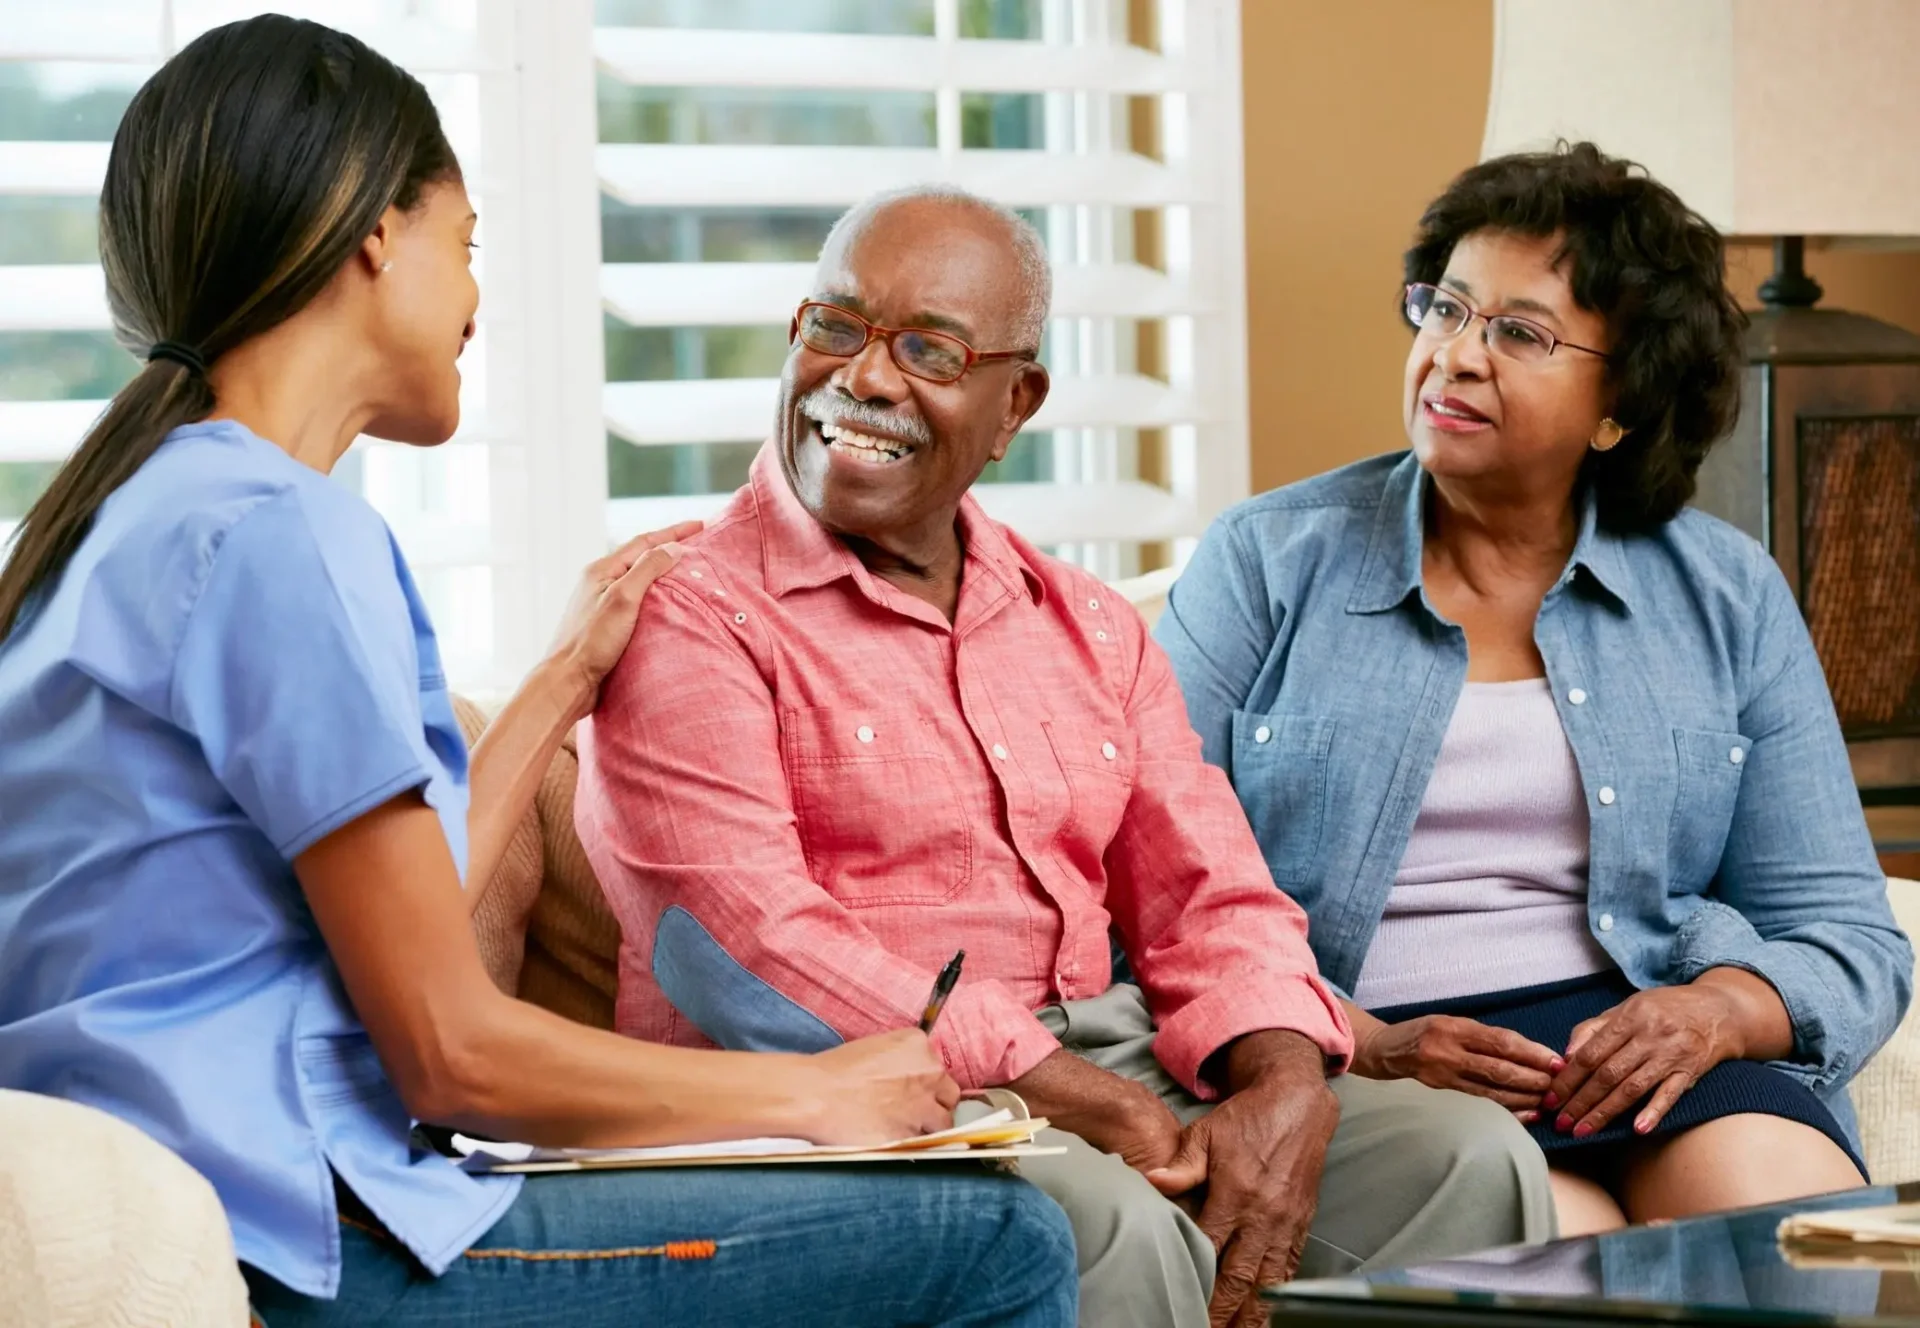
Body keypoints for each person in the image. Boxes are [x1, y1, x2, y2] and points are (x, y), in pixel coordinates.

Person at [0, 19, 1078, 1326]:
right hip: (312, 1251)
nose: (475, 297)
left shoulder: (129, 520)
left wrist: (567, 675)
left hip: (199, 1209)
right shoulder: (281, 532)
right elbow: (450, 1052)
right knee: (998, 1241)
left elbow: (392, 943)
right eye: (468, 246)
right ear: (375, 237)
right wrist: (812, 1091)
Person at [576, 182, 1554, 1328]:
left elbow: (1212, 894)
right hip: (856, 1104)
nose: (866, 377)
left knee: (1464, 1159)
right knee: (1108, 1216)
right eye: (835, 327)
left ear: (1014, 401)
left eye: (929, 350)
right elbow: (743, 951)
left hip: (1109, 1060)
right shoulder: (691, 611)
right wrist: (1087, 1100)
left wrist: (1284, 1079)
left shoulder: (1085, 621)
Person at [1155, 142, 1913, 1237]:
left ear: (1621, 406)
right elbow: (1151, 888)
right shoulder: (1267, 562)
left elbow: (1844, 928)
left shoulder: (1725, 592)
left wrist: (1718, 1009)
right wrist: (1355, 1037)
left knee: (1787, 1232)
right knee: (1566, 1254)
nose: (1455, 356)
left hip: (1644, 1048)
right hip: (1382, 1059)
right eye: (1446, 309)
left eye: (1520, 332)